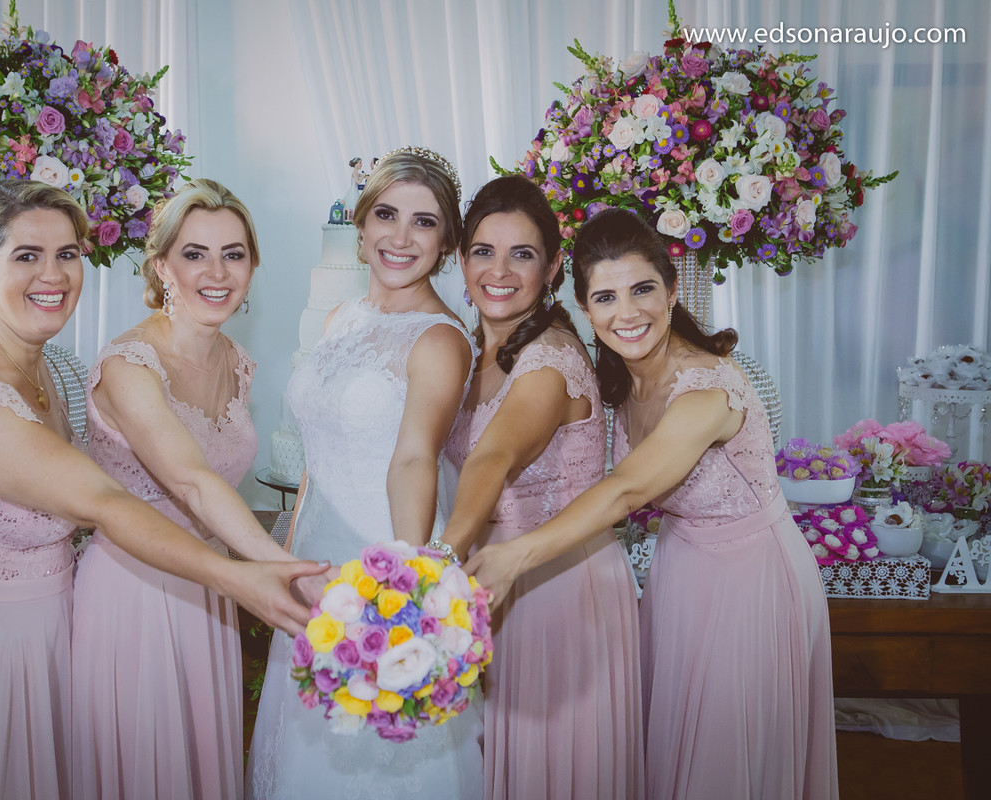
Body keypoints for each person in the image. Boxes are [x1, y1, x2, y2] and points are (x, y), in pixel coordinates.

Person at [0, 180, 326, 800]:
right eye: (26, 255)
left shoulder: (43, 361)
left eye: (68, 254)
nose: (54, 274)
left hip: (44, 636)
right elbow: (107, 501)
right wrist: (238, 577)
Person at [465, 207, 839, 800]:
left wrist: (517, 557)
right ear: (585, 310)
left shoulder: (705, 388)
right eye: (605, 297)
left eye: (642, 289)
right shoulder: (623, 379)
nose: (627, 312)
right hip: (679, 571)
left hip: (753, 581)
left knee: (723, 762)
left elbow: (628, 488)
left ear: (671, 288)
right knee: (668, 754)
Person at [246, 147, 483, 800]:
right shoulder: (339, 319)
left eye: (425, 221)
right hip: (314, 563)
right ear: (361, 224)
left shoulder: (440, 339)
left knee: (377, 750)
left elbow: (413, 459)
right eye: (386, 214)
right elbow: (316, 461)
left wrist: (405, 590)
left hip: (382, 566)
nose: (401, 236)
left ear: (447, 241)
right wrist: (288, 561)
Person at [70, 179, 309, 799]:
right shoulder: (128, 364)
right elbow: (190, 478)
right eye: (194, 253)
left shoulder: (237, 360)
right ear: (161, 267)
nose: (217, 271)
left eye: (234, 254)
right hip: (135, 592)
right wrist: (285, 569)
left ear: (253, 267)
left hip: (210, 594)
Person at [438, 176, 643, 800]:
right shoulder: (475, 350)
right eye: (483, 251)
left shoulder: (549, 359)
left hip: (558, 594)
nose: (498, 271)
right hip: (499, 583)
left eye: (521, 254)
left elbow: (492, 457)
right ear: (462, 257)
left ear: (553, 266)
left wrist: (438, 562)